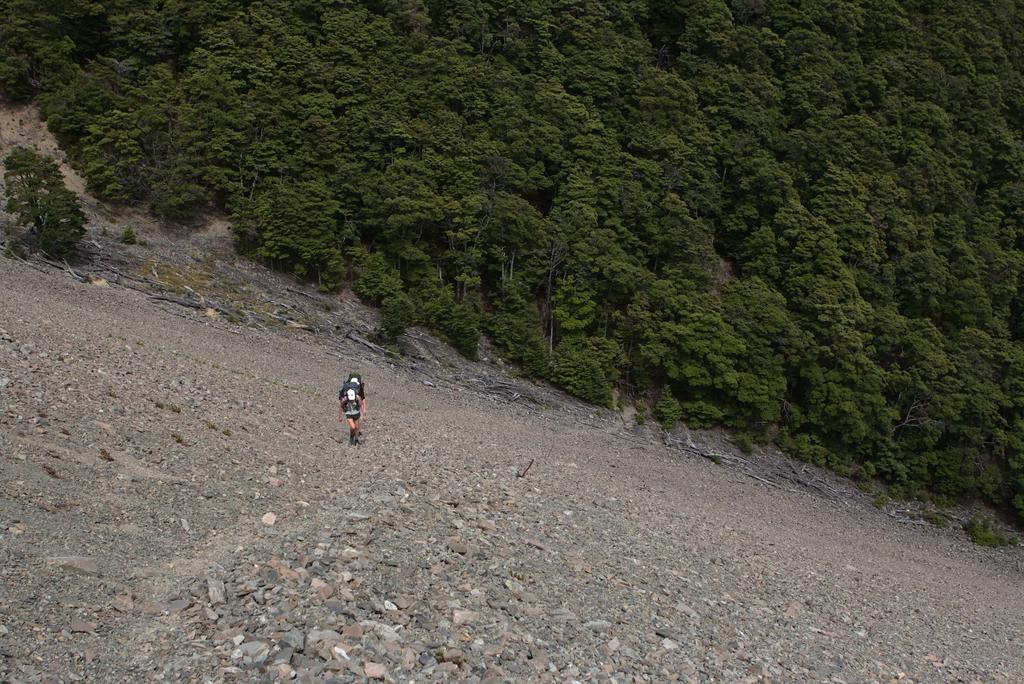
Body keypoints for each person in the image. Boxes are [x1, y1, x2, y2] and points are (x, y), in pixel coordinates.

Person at [338, 373, 367, 445]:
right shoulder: (346, 397)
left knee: (357, 427)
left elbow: (361, 404)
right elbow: (341, 405)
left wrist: (364, 414)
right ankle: (351, 438)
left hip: (356, 413)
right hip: (349, 414)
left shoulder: (357, 395)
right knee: (353, 427)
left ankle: (356, 440)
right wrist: (340, 416)